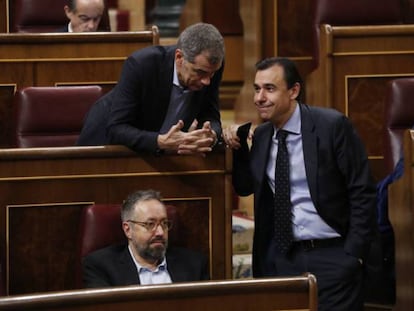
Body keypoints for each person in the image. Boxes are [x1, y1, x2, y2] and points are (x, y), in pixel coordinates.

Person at [222, 57, 378, 311]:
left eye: (269, 89)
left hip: (333, 255)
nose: (259, 97)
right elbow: (245, 187)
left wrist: (353, 255)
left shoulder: (331, 126)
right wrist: (238, 149)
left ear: (294, 91)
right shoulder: (261, 136)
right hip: (283, 258)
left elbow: (362, 191)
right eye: (257, 88)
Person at [77, 22, 225, 156]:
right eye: (200, 72)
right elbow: (117, 129)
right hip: (106, 146)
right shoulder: (142, 65)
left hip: (161, 155)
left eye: (212, 74)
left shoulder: (210, 67)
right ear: (179, 57)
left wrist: (210, 135)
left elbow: (210, 115)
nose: (207, 81)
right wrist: (159, 141)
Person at [82, 189, 209, 287]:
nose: (160, 232)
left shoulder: (194, 264)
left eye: (164, 223)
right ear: (128, 230)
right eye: (150, 224)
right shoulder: (101, 267)